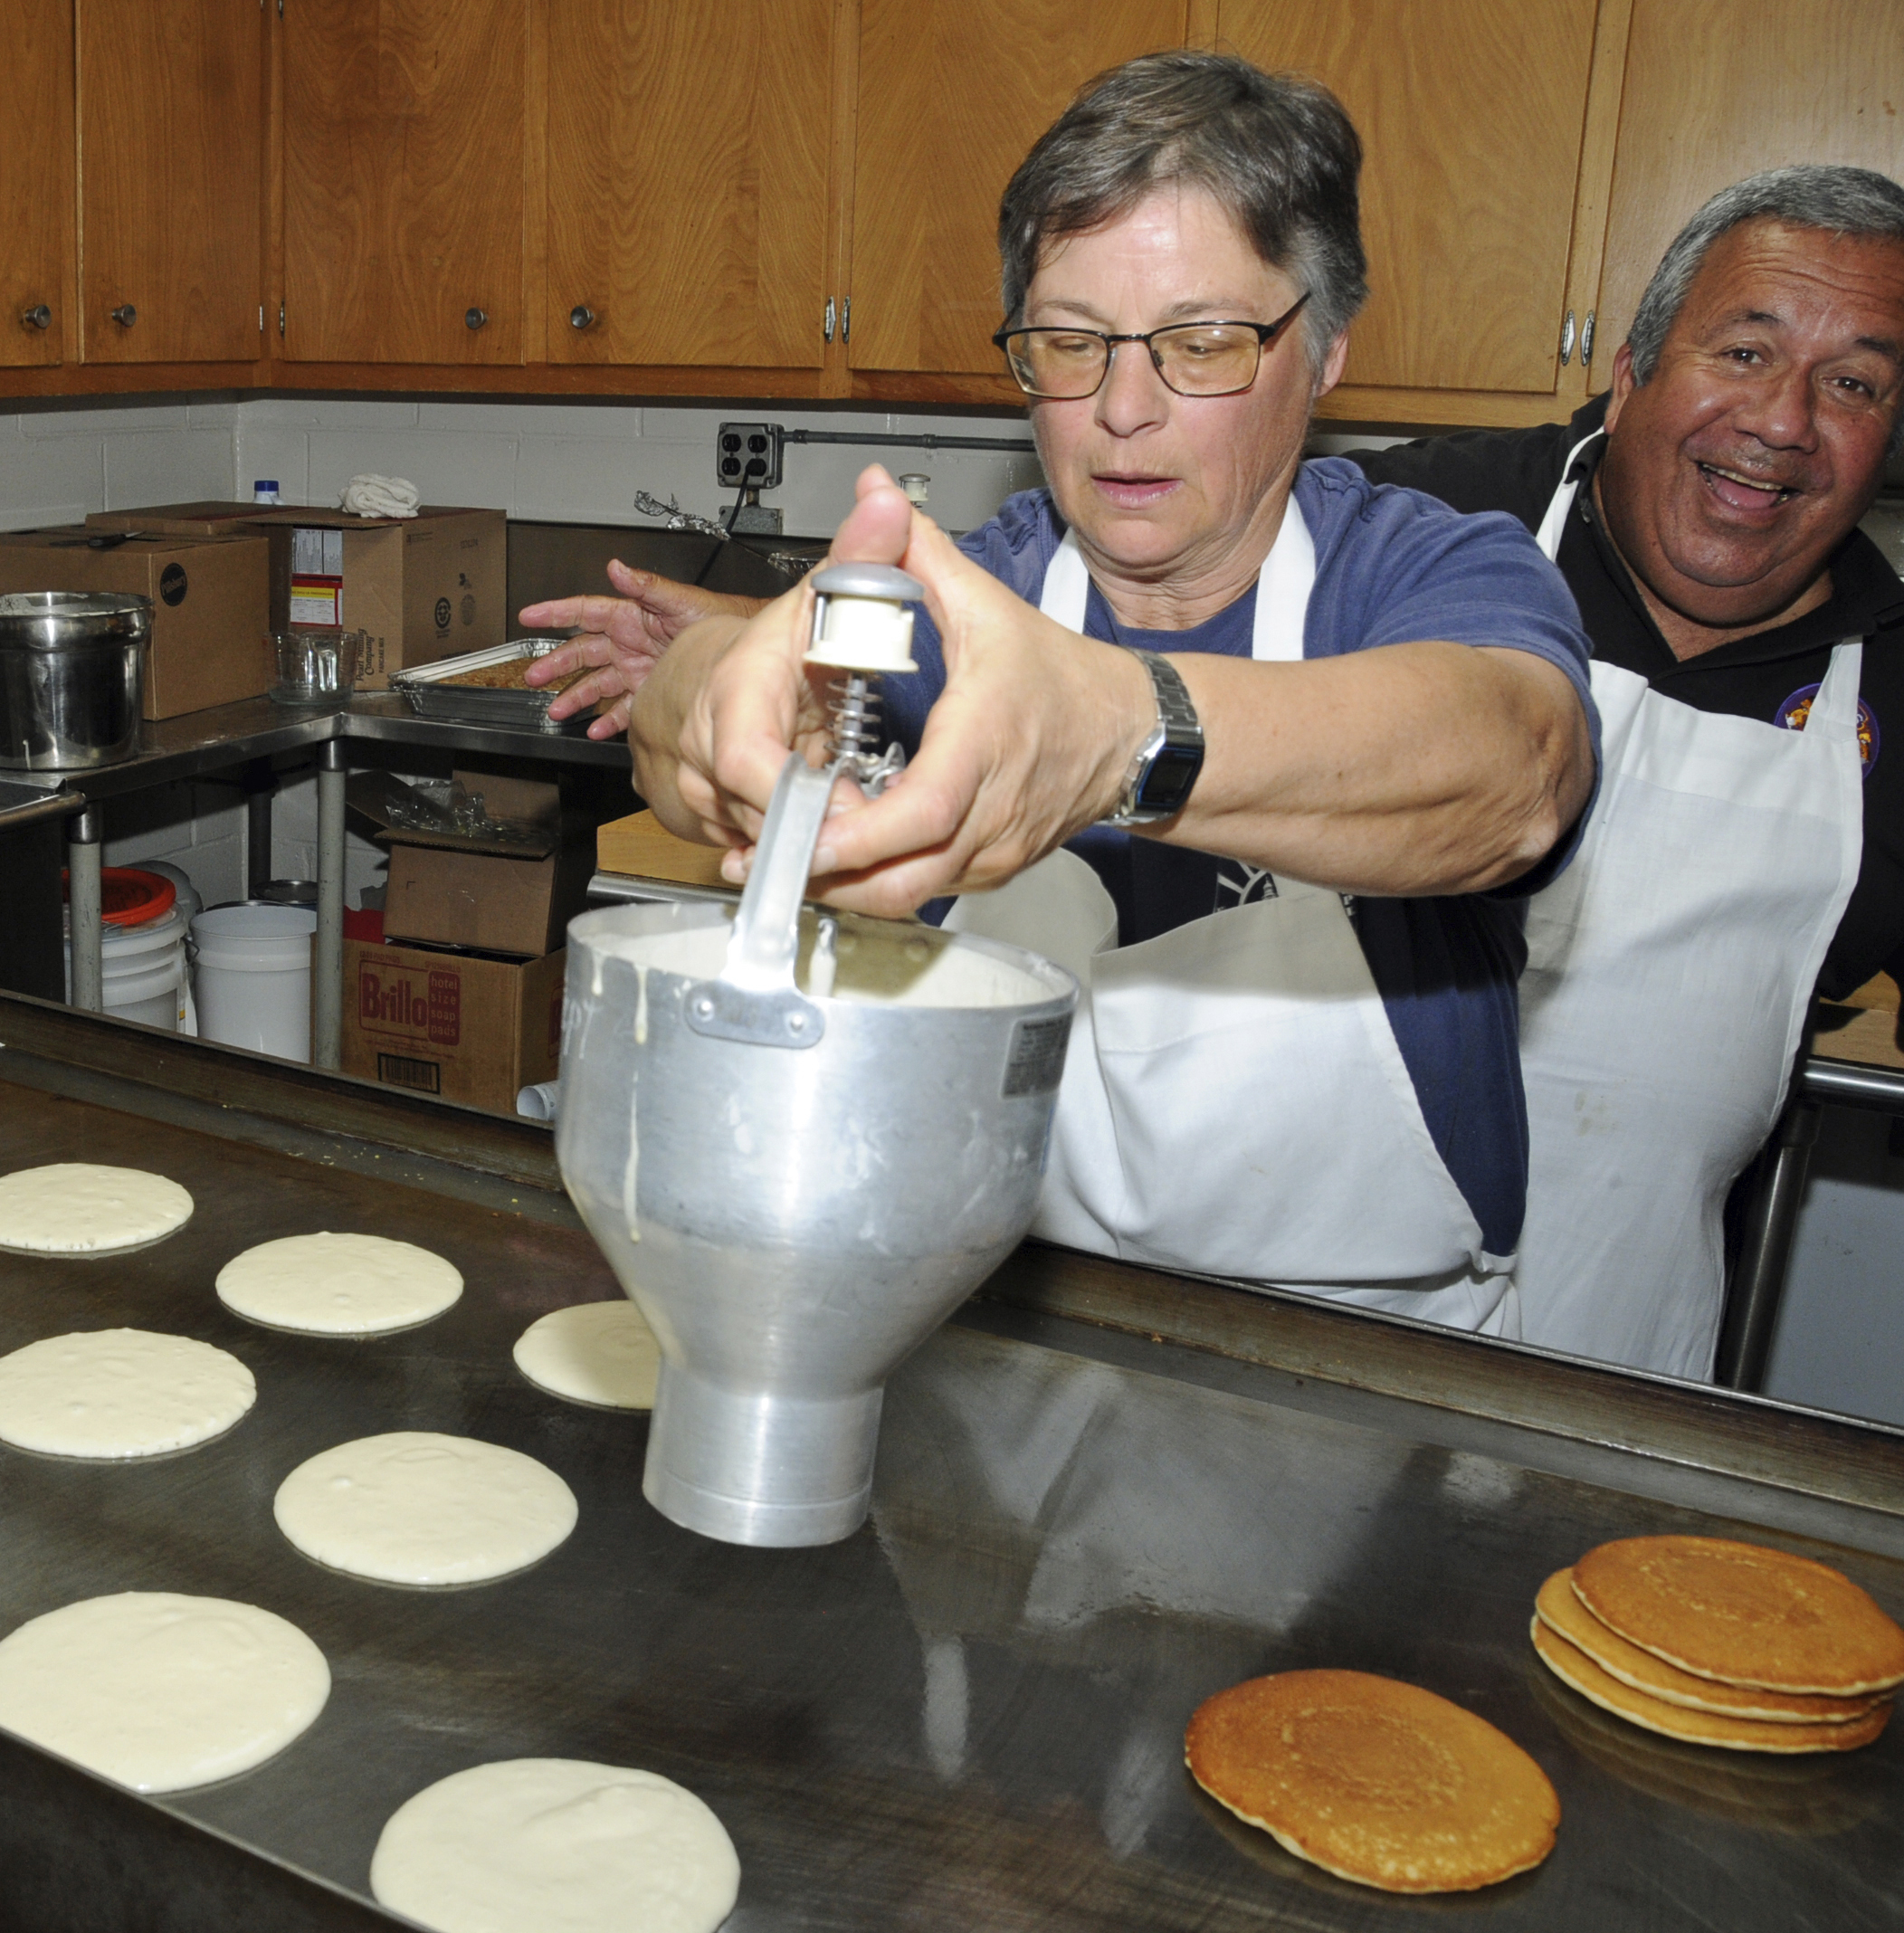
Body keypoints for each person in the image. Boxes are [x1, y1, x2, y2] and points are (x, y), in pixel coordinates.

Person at [630, 50, 1599, 1332]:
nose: (1122, 410)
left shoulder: (1427, 568)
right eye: (1070, 346)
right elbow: (681, 719)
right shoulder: (979, 592)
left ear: (1326, 353)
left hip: (1378, 1346)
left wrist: (1118, 733)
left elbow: (1513, 771)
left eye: (1200, 344)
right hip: (1012, 1302)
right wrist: (707, 696)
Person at [1342, 168, 1904, 1378]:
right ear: (1634, 367)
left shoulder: (1894, 687)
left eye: (1853, 384)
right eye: (1745, 352)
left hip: (1615, 1377)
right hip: (1285, 1311)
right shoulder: (1403, 525)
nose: (1783, 422)